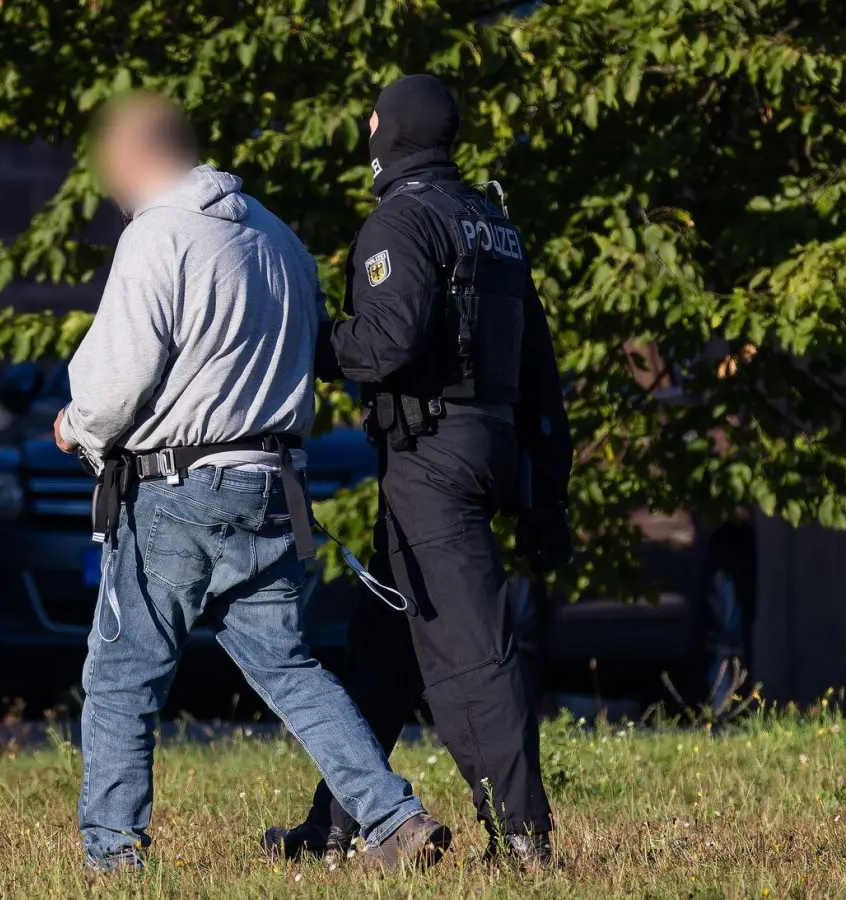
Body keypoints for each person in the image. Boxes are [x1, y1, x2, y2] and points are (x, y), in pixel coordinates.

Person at [53, 90, 451, 873]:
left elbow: (118, 377)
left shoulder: (157, 234)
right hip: (273, 486)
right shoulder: (277, 236)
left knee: (123, 676)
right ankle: (394, 818)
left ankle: (114, 858)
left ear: (138, 156)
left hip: (178, 488)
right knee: (290, 668)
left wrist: (79, 426)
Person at [263, 74, 574, 871]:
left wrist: (305, 340)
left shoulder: (402, 219)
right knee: (384, 653)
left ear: (394, 131)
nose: (367, 133)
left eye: (373, 122)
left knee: (470, 655)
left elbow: (385, 344)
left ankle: (523, 839)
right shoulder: (490, 221)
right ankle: (336, 825)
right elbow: (538, 368)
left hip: (432, 461)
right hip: (482, 445)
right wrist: (548, 491)